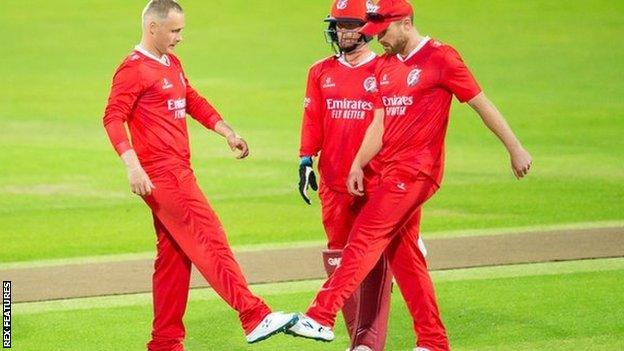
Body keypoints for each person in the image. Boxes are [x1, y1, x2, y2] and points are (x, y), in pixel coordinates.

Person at [288, 1, 533, 350]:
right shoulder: (385, 67)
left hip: (418, 171)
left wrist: (515, 148)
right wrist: (358, 163)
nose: (379, 40)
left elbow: (481, 103)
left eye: (383, 32)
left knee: (364, 238)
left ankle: (321, 315)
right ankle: (433, 341)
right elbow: (379, 122)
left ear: (405, 23)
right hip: (388, 171)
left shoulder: (441, 58)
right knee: (406, 259)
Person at [102, 1, 297, 350]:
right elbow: (112, 118)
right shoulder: (132, 70)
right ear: (153, 28)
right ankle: (253, 316)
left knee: (174, 260)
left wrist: (227, 132)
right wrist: (132, 165)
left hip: (178, 170)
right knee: (210, 238)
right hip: (164, 176)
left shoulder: (170, 63)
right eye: (174, 30)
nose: (180, 37)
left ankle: (164, 342)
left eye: (181, 30)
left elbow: (192, 100)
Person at [297, 1, 393, 350]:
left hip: (376, 181)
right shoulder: (320, 71)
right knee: (340, 259)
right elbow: (313, 120)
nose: (342, 32)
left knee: (371, 262)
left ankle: (369, 341)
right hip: (334, 184)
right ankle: (359, 341)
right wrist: (306, 157)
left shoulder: (384, 69)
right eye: (337, 25)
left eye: (349, 25)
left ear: (367, 27)